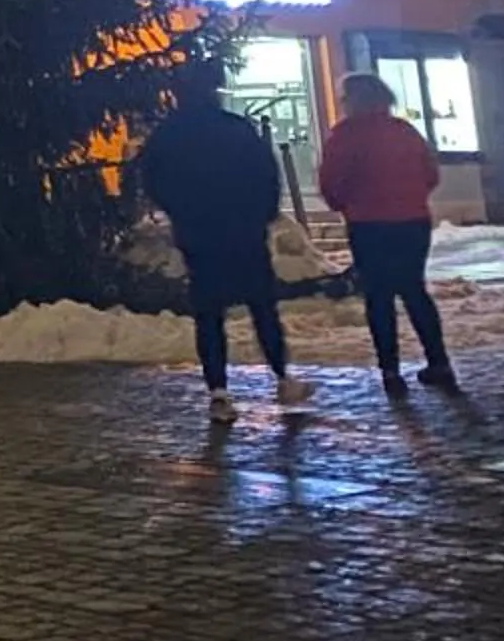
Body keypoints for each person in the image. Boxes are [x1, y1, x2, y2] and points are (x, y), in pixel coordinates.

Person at [136, 58, 312, 422]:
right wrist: (261, 214)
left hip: (199, 232)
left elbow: (152, 180)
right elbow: (266, 174)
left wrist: (179, 211)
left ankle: (218, 391)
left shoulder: (169, 135)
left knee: (209, 313)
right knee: (262, 307)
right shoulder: (236, 129)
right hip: (243, 229)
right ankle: (282, 377)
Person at [318, 72, 459, 395]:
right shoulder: (405, 131)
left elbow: (332, 181)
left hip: (369, 223)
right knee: (414, 290)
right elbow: (430, 174)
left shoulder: (345, 135)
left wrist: (345, 204)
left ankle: (391, 371)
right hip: (412, 221)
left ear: (351, 100)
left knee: (378, 296)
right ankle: (439, 362)